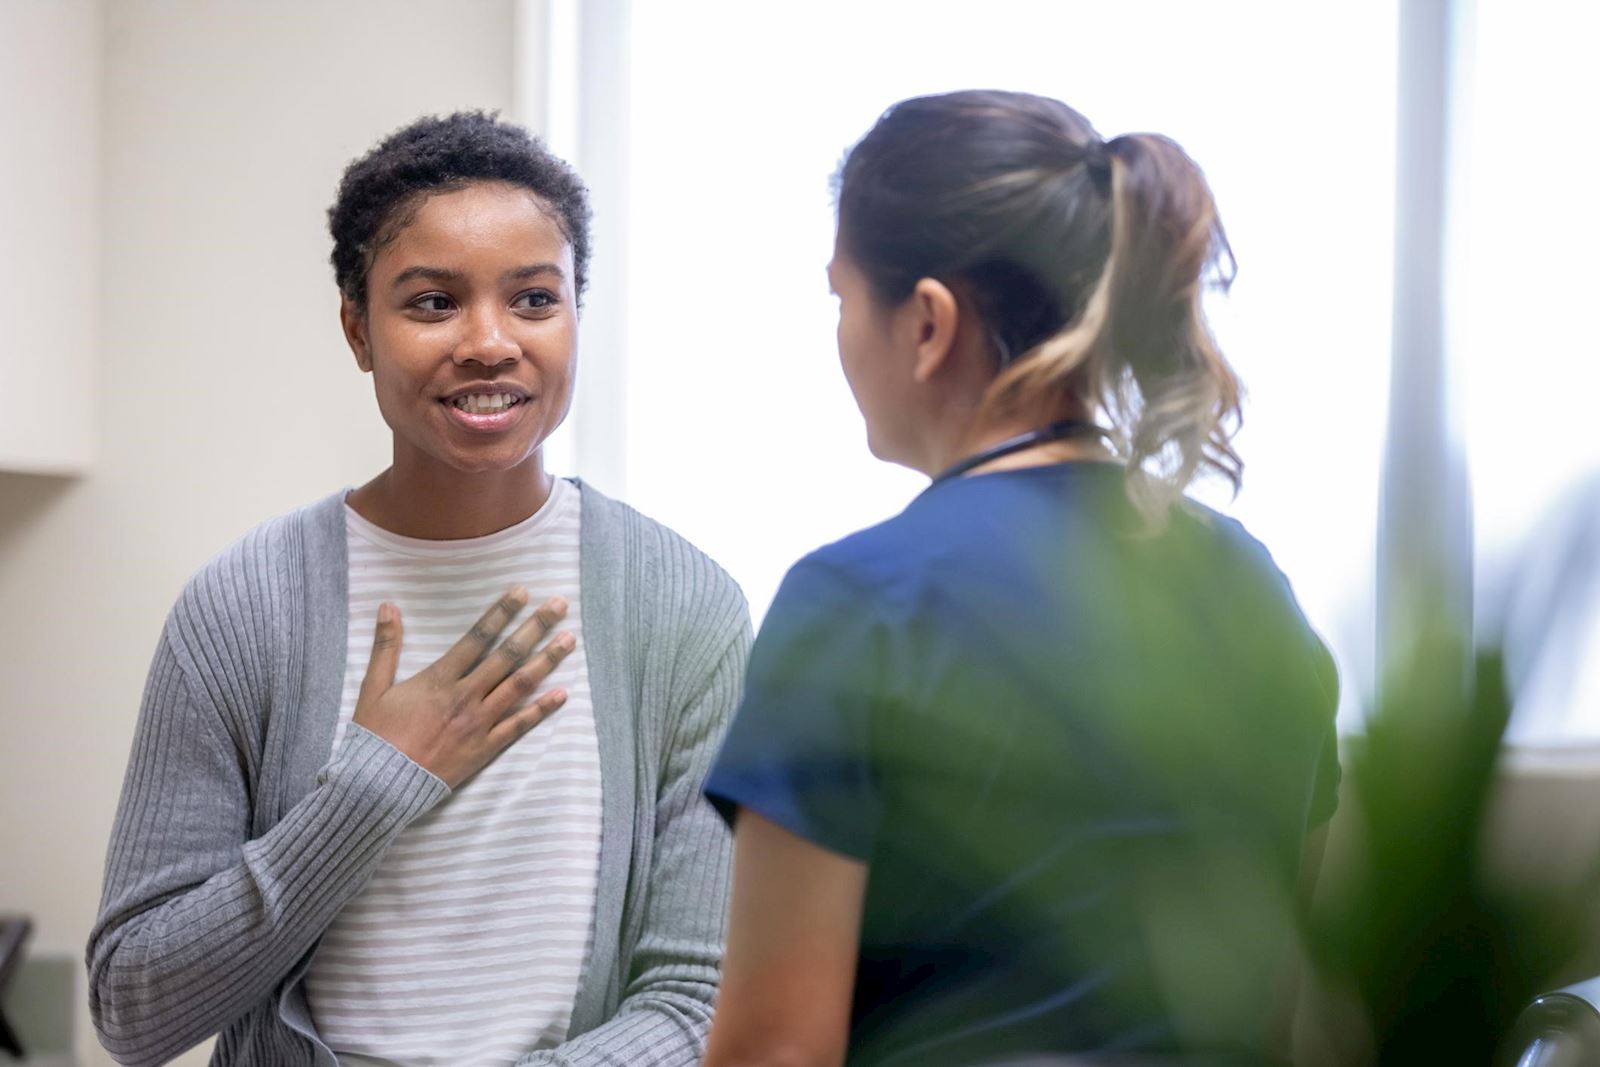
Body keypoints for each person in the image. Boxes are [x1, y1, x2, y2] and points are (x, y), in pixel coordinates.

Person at [88, 112, 750, 1067]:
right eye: (433, 302)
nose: (489, 342)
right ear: (359, 330)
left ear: (575, 316)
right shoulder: (243, 609)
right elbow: (133, 1009)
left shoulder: (682, 607)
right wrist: (370, 786)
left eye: (533, 298)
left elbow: (701, 1002)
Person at [701, 90, 1340, 1067]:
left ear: (925, 322)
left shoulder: (857, 604)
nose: (837, 334)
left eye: (840, 299)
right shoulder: (1253, 588)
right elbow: (1271, 1007)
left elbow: (774, 1051)